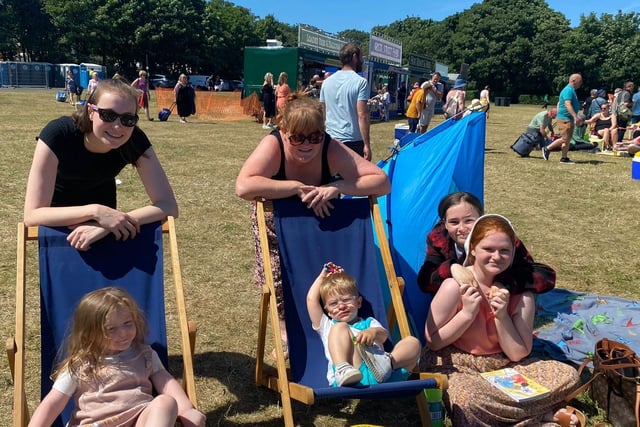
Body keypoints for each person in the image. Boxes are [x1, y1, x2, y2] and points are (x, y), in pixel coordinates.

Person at [235, 92, 390, 359]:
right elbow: (244, 186)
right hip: (277, 226)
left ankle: (341, 329)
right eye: (298, 137)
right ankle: (286, 333)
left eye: (314, 137)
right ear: (284, 131)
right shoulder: (273, 145)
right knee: (280, 281)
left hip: (321, 225)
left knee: (327, 275)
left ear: (322, 133)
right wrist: (296, 188)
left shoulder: (330, 147)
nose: (307, 144)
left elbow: (381, 181)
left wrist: (336, 186)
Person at [421, 214, 582, 426]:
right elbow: (433, 342)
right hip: (457, 364)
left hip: (504, 368)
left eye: (504, 251)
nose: (496, 256)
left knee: (568, 375)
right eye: (488, 249)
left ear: (513, 253)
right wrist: (467, 314)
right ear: (473, 250)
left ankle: (508, 415)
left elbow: (517, 353)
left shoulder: (520, 294)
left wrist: (502, 315)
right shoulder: (454, 286)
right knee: (468, 400)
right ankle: (539, 414)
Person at [24, 78, 178, 251]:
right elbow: (32, 214)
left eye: (128, 119)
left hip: (106, 222)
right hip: (59, 221)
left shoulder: (134, 140)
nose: (118, 127)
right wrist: (95, 212)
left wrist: (109, 223)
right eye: (108, 115)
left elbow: (168, 205)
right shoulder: (58, 135)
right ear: (90, 111)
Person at [28, 287, 205, 427]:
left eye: (128, 324)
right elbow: (53, 403)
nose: (123, 333)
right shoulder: (81, 365)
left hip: (139, 420)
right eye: (111, 329)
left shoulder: (145, 354)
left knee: (166, 402)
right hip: (95, 424)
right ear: (89, 333)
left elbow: (165, 382)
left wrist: (187, 409)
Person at [416, 191, 555, 296]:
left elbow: (544, 275)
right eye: (454, 222)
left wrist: (504, 283)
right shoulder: (439, 238)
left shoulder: (498, 237)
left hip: (499, 301)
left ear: (481, 218)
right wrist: (452, 268)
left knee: (526, 297)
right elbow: (424, 281)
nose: (462, 228)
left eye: (469, 220)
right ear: (444, 223)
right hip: (461, 304)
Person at [307, 262, 420, 387]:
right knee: (340, 327)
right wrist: (323, 277)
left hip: (384, 374)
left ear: (359, 302)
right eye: (333, 304)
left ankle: (387, 364)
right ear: (327, 310)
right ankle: (342, 368)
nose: (341, 306)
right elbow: (311, 300)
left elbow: (383, 336)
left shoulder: (369, 322)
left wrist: (373, 332)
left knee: (412, 342)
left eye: (346, 300)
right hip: (352, 377)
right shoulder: (327, 327)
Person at [319, 42, 371, 160]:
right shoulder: (360, 82)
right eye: (361, 57)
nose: (362, 61)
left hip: (330, 138)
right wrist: (367, 144)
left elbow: (322, 111)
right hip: (352, 140)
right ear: (354, 57)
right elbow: (362, 115)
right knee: (354, 178)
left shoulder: (327, 82)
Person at [543, 73, 583, 164]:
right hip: (565, 118)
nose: (581, 83)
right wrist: (575, 116)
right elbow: (567, 104)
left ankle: (564, 158)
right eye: (579, 81)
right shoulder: (568, 90)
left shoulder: (571, 90)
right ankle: (547, 148)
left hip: (569, 118)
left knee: (568, 139)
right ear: (573, 81)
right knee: (565, 138)